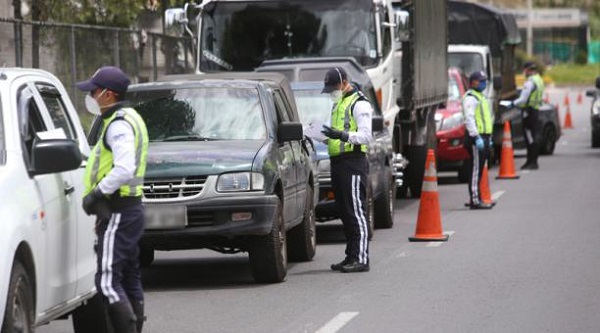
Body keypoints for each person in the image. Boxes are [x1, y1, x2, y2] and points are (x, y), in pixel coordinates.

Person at [77, 66, 149, 333]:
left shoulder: (118, 125)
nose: (91, 96)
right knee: (129, 276)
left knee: (107, 281)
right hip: (126, 210)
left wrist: (97, 193)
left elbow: (124, 168)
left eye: (94, 91)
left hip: (119, 210)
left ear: (108, 95)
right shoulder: (128, 117)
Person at [320, 67, 373, 273]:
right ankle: (351, 255)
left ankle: (360, 258)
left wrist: (341, 135)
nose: (332, 92)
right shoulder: (338, 103)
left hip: (353, 162)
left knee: (356, 211)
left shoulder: (359, 104)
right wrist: (322, 136)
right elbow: (337, 136)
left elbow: (366, 135)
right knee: (343, 210)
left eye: (334, 87)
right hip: (338, 162)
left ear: (344, 83)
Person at [463, 71, 494, 210]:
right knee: (476, 170)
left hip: (483, 136)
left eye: (484, 80)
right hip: (477, 138)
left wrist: (489, 137)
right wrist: (476, 137)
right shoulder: (471, 98)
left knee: (479, 169)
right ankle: (475, 200)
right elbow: (469, 119)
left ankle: (477, 197)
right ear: (473, 82)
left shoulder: (480, 96)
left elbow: (484, 119)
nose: (484, 83)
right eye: (481, 80)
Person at [511, 61, 545, 170]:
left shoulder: (530, 82)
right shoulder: (539, 80)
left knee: (529, 137)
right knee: (534, 136)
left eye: (524, 70)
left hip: (528, 112)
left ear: (528, 70)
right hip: (535, 111)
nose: (524, 72)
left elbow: (523, 99)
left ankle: (532, 162)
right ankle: (532, 162)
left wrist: (512, 103)